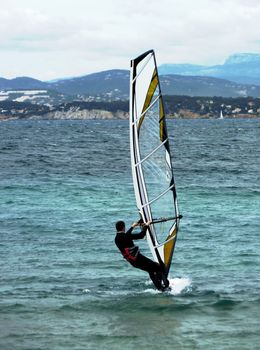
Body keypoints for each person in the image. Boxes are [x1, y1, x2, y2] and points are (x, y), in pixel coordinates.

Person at [114, 219, 169, 290]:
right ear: (124, 227)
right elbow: (141, 235)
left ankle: (159, 288)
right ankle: (166, 285)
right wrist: (146, 225)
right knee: (158, 267)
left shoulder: (116, 238)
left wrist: (132, 227)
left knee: (150, 270)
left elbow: (126, 236)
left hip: (132, 261)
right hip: (138, 259)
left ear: (117, 228)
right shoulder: (125, 236)